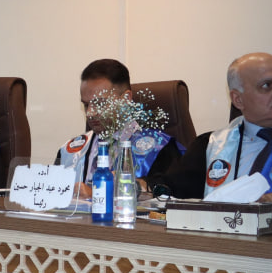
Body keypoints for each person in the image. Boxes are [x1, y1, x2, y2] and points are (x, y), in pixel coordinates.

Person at [159, 52, 272, 213]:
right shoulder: (210, 144)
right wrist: (151, 188)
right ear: (238, 99)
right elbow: (172, 188)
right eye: (267, 85)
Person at [54, 59, 182, 197]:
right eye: (86, 105)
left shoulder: (160, 149)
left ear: (126, 99)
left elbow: (171, 198)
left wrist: (98, 194)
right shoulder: (70, 151)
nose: (90, 113)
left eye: (100, 104)